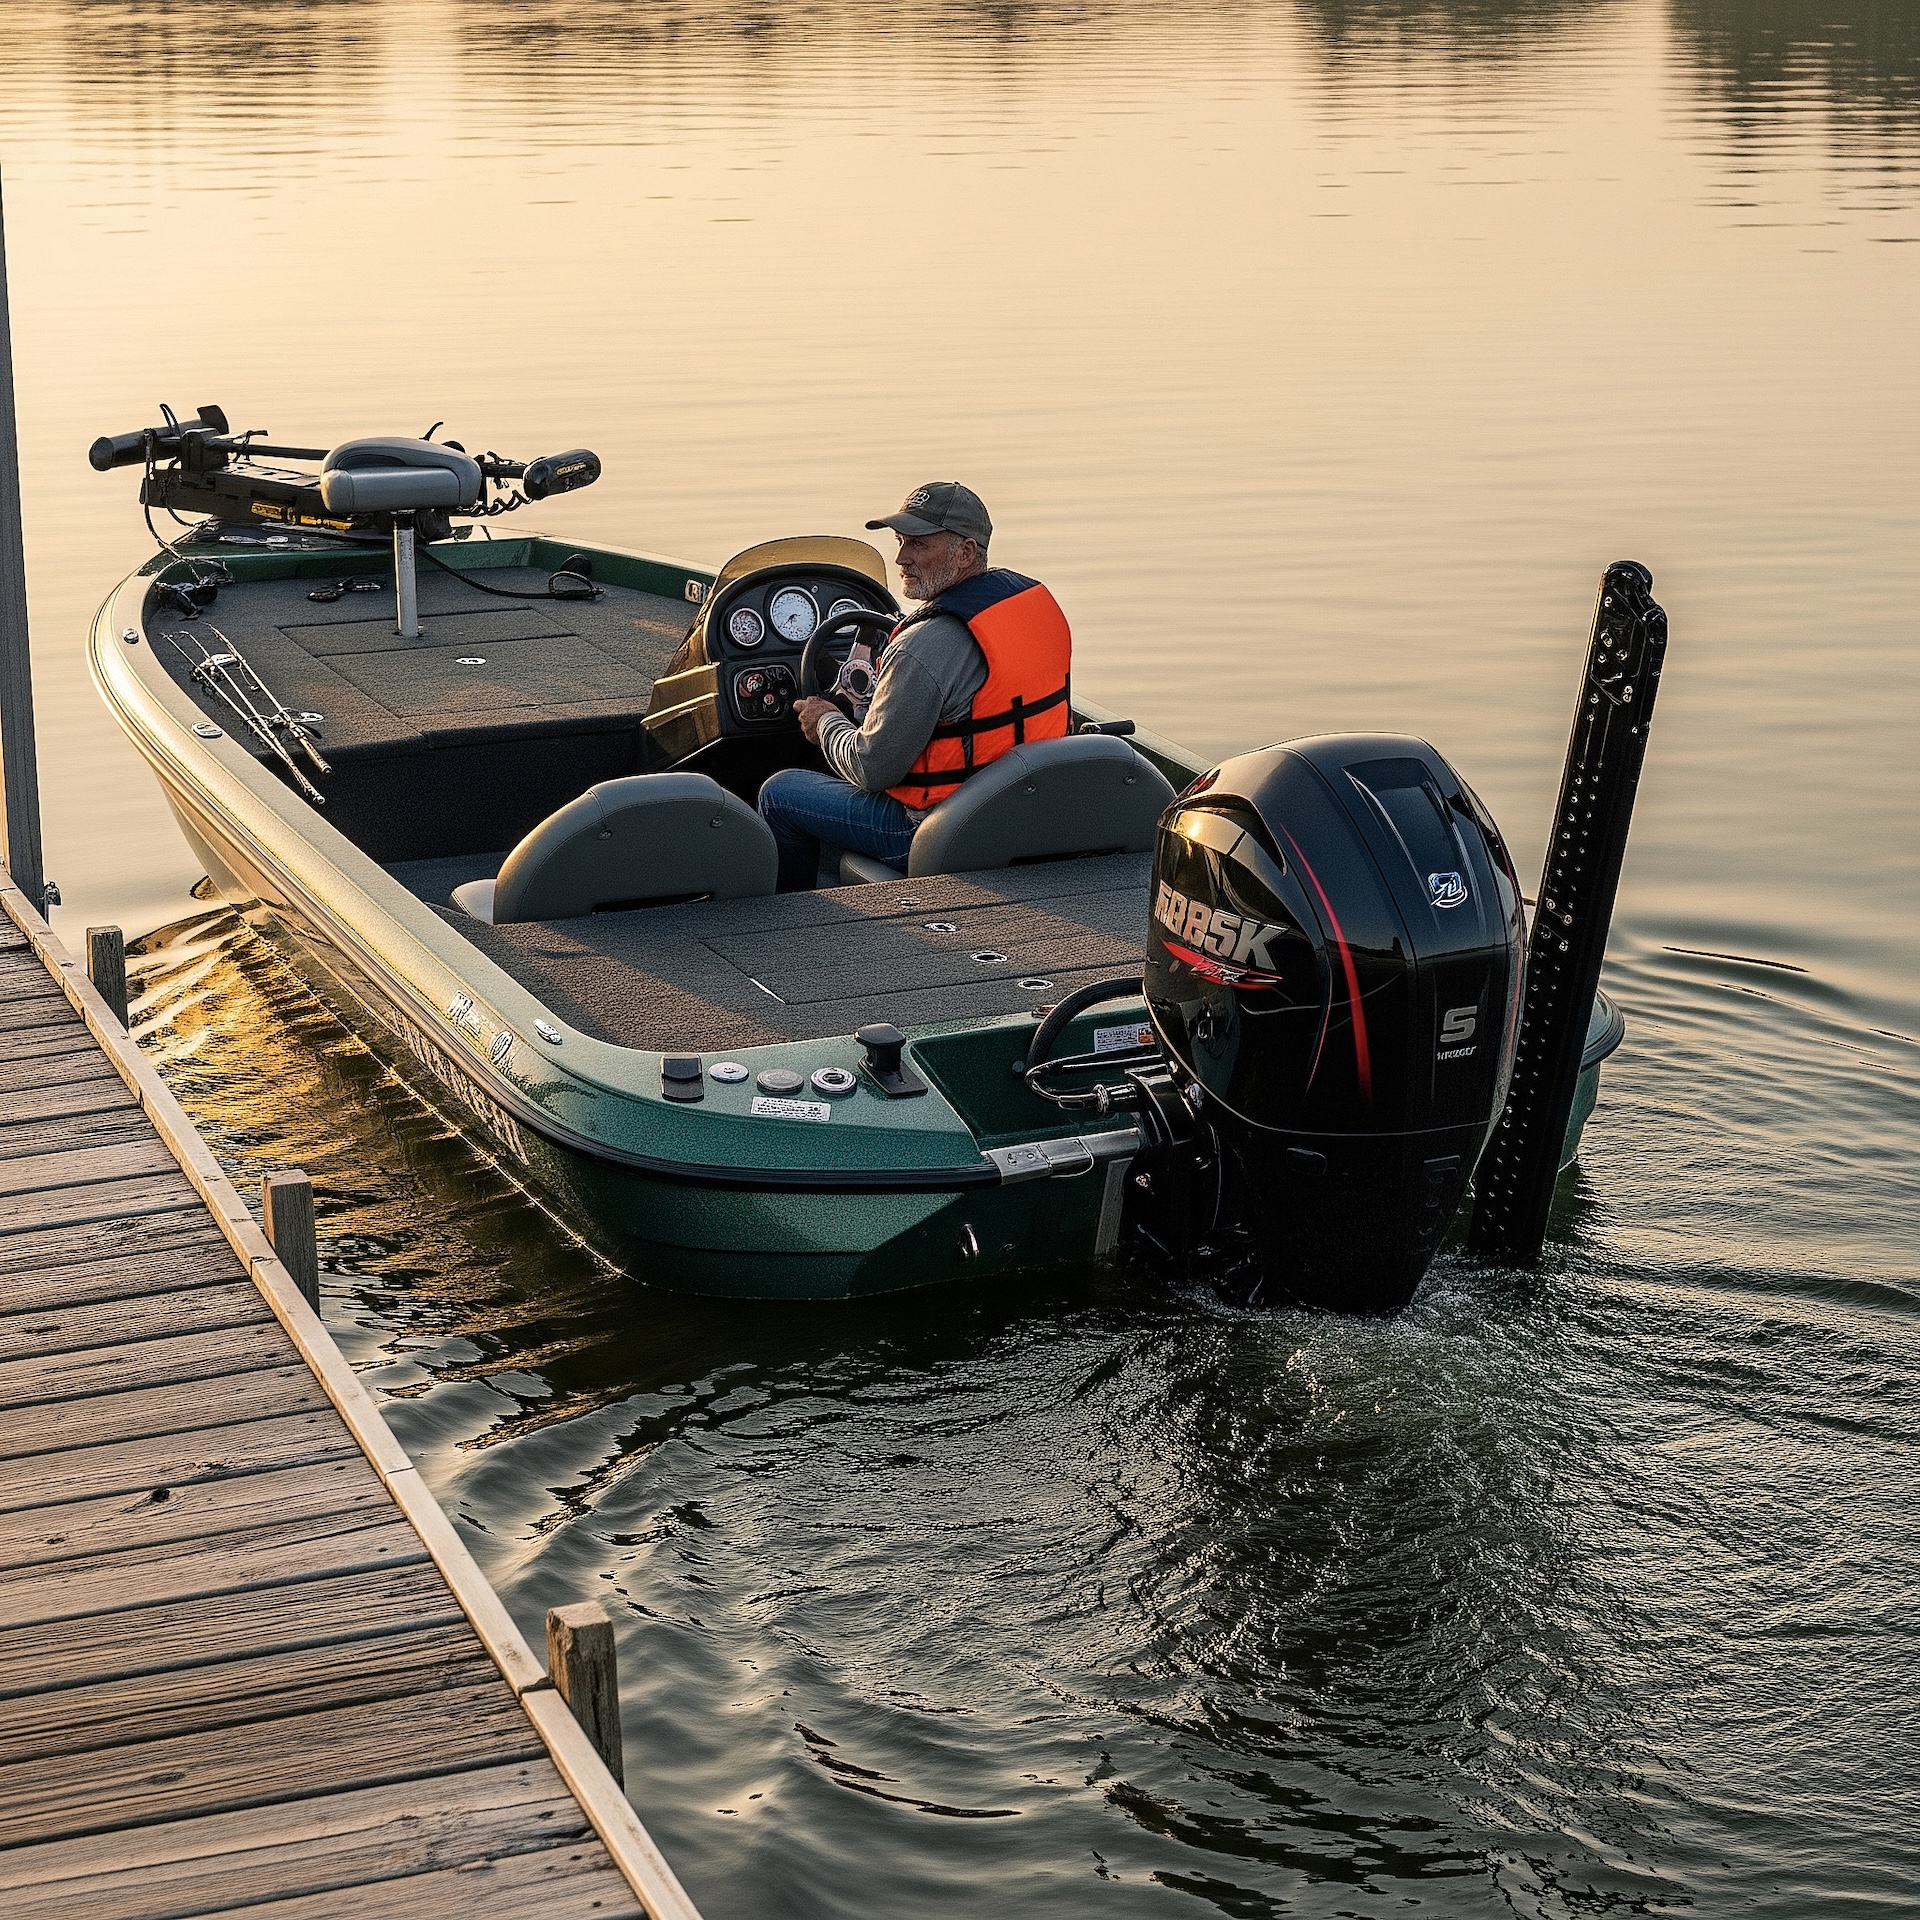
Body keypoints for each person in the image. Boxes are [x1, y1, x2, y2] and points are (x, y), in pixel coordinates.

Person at [757, 481, 1074, 890]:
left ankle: (791, 927)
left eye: (920, 545)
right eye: (901, 541)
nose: (901, 558)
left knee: (779, 792)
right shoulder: (1032, 606)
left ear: (965, 552)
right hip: (1032, 811)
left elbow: (873, 768)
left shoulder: (921, 647)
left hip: (939, 830)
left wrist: (825, 723)